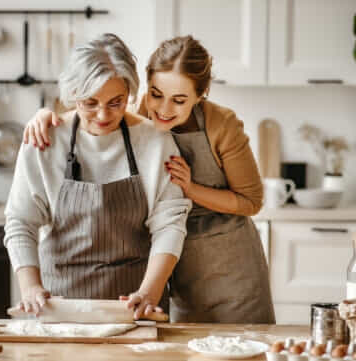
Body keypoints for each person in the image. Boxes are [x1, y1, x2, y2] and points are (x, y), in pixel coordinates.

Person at [22, 35, 275, 323]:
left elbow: (251, 201)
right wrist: (47, 116)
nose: (164, 109)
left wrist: (190, 189)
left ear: (201, 94)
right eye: (156, 94)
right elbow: (97, 107)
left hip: (229, 265)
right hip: (175, 264)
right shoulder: (140, 117)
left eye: (179, 100)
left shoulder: (222, 125)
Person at [4, 33, 191, 320]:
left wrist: (150, 293)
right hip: (59, 307)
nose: (103, 115)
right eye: (90, 103)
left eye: (116, 102)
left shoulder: (155, 141)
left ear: (130, 93)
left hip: (134, 307)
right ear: (72, 95)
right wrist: (30, 288)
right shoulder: (44, 140)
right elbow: (21, 221)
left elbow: (170, 224)